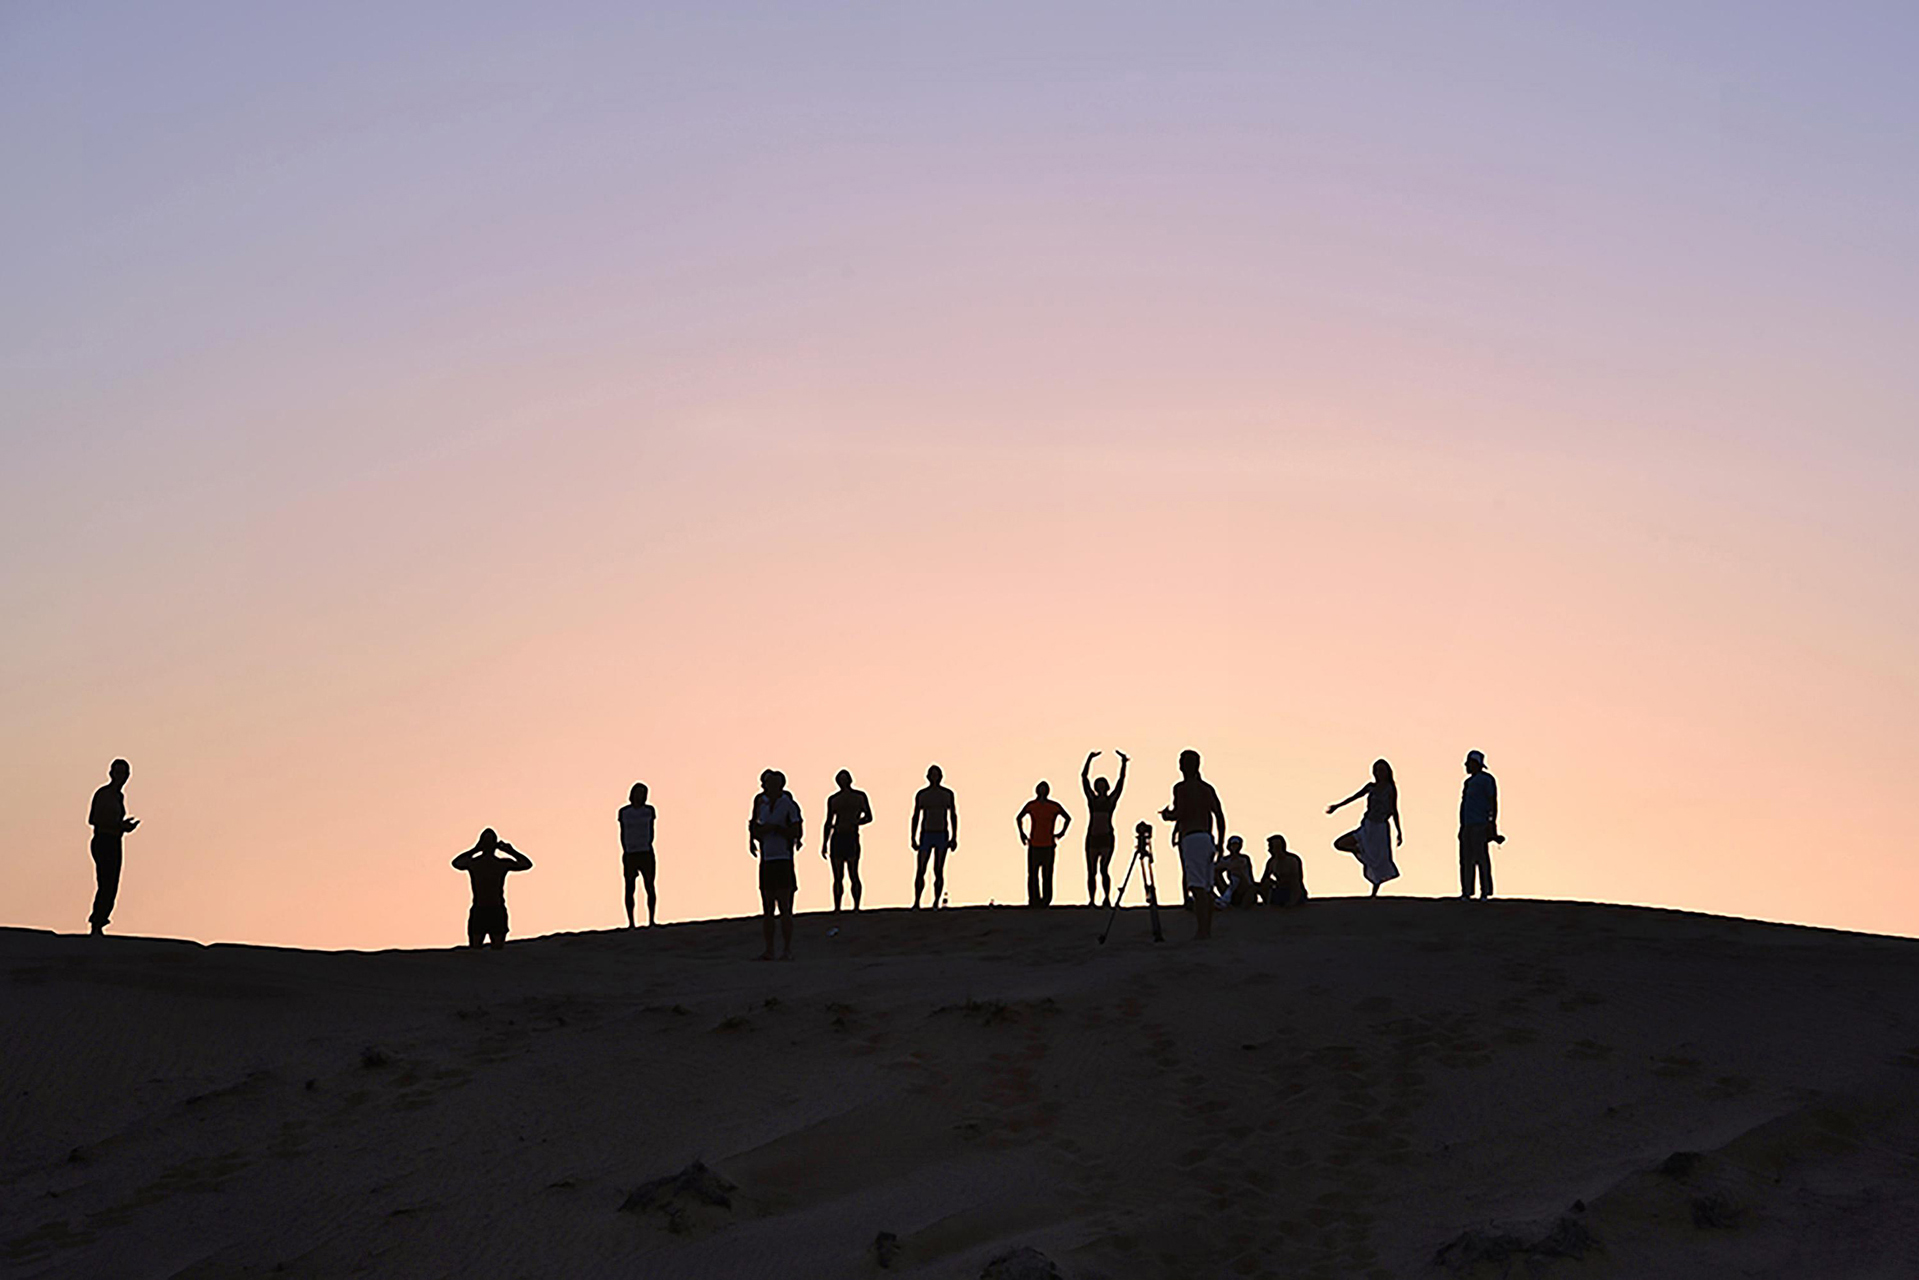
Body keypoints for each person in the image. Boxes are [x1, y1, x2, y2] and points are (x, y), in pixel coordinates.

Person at [1160, 749, 1227, 940]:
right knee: (1206, 886)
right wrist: (1220, 842)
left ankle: (1202, 930)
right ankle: (1206, 929)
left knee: (1197, 887)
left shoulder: (1181, 788)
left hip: (1192, 838)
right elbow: (1220, 816)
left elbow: (1180, 813)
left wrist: (1167, 816)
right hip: (1207, 838)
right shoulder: (1207, 788)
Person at [1328, 758, 1403, 897]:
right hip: (1367, 825)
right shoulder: (1371, 787)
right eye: (1377, 770)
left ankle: (1374, 892)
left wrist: (1399, 831)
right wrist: (1337, 806)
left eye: (1382, 770)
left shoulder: (1390, 789)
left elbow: (1394, 810)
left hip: (1381, 828)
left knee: (1380, 859)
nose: (1379, 773)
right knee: (1340, 843)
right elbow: (1354, 797)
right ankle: (1360, 850)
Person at [749, 769, 804, 959]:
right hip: (767, 860)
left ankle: (787, 949)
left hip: (783, 859)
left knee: (785, 907)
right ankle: (769, 949)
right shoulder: (760, 803)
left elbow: (796, 831)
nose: (764, 787)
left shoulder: (788, 805)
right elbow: (754, 827)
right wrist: (760, 832)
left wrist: (778, 829)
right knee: (767, 909)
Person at [451, 828, 533, 950]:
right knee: (475, 950)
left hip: (496, 909)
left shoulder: (500, 864)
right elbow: (456, 863)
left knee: (496, 949)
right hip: (480, 908)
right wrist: (475, 849)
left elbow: (526, 864)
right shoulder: (475, 863)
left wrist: (511, 851)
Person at [86, 758, 139, 936]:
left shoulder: (119, 796)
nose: (121, 777)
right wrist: (118, 826)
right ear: (111, 774)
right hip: (103, 840)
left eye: (124, 774)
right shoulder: (104, 794)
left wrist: (122, 826)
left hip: (115, 840)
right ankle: (97, 922)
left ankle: (100, 921)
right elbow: (93, 820)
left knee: (112, 884)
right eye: (117, 773)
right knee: (105, 882)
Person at [1080, 750, 1129, 907]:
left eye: (1103, 785)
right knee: (1091, 871)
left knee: (1104, 869)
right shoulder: (1092, 800)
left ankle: (1107, 898)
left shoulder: (1110, 801)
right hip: (1092, 836)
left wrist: (1123, 764)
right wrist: (1089, 760)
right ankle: (1092, 900)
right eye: (1098, 785)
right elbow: (1084, 779)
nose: (1100, 788)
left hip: (1106, 836)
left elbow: (1121, 782)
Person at [821, 769, 872, 912]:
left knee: (853, 872)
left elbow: (869, 816)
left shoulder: (859, 797)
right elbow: (828, 821)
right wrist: (824, 842)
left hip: (851, 836)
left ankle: (856, 906)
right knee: (838, 876)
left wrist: (855, 822)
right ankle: (837, 907)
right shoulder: (833, 799)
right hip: (837, 837)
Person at [1016, 781, 1072, 908]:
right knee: (1033, 873)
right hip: (1034, 843)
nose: (1042, 792)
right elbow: (1019, 817)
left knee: (1047, 873)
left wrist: (1061, 833)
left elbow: (1067, 818)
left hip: (1048, 844)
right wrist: (1022, 834)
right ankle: (1034, 899)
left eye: (1044, 789)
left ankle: (1046, 900)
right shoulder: (1032, 805)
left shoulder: (1053, 806)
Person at [910, 765, 959, 909]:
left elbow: (953, 815)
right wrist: (913, 837)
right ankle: (917, 901)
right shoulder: (922, 795)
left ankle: (936, 901)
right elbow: (916, 816)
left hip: (941, 833)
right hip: (926, 833)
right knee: (921, 869)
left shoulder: (947, 794)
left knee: (939, 869)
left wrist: (954, 837)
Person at [1458, 749, 1503, 900]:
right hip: (1467, 825)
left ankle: (1485, 891)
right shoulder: (1468, 782)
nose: (1466, 767)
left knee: (1481, 858)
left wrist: (1492, 823)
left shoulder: (1487, 780)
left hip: (1480, 824)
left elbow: (1492, 801)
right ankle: (1467, 891)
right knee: (1466, 859)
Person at [618, 782, 658, 928]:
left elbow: (652, 829)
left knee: (649, 885)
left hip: (646, 851)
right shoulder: (624, 812)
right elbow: (622, 832)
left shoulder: (649, 811)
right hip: (630, 853)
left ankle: (652, 920)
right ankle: (631, 922)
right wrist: (625, 848)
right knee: (630, 887)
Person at [1258, 834, 1308, 907]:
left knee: (1294, 884)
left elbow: (1297, 879)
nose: (1269, 850)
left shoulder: (1292, 860)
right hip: (1279, 889)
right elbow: (1264, 879)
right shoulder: (1272, 862)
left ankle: (1292, 903)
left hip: (1292, 891)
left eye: (1271, 847)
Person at [1214, 835, 1257, 908]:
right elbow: (1216, 868)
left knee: (1237, 875)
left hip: (1244, 886)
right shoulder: (1226, 859)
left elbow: (1238, 866)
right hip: (1231, 886)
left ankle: (1225, 899)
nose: (1234, 847)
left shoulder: (1244, 858)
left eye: (1236, 845)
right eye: (1233, 845)